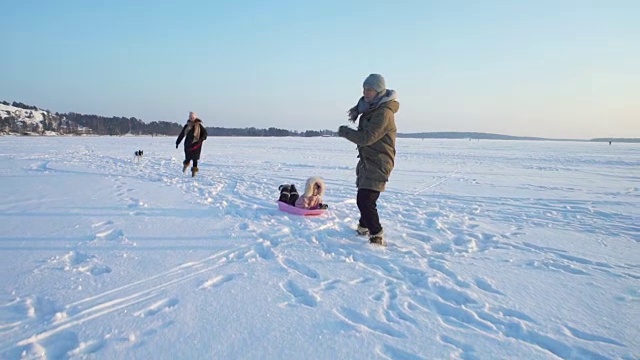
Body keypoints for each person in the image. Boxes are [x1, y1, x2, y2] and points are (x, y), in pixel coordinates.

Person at [338, 74, 398, 246]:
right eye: (364, 89)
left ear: (379, 91)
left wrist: (345, 132)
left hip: (380, 161)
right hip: (368, 161)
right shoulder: (372, 109)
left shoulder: (384, 113)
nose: (366, 93)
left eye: (370, 89)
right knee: (366, 196)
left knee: (365, 199)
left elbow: (366, 138)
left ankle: (376, 232)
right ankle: (364, 225)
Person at [176, 112, 208, 177]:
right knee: (188, 158)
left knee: (195, 159)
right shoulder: (187, 126)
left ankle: (194, 173)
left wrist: (202, 138)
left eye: (193, 117)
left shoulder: (199, 126)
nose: (191, 118)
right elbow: (182, 134)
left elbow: (205, 133)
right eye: (190, 117)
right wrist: (177, 142)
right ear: (189, 118)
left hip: (196, 144)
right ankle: (185, 167)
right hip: (188, 144)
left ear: (195, 118)